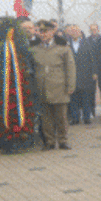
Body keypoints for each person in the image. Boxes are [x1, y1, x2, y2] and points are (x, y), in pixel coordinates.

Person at [30, 20, 76, 150]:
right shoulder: (34, 49)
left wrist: (70, 86)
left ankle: (63, 140)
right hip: (42, 88)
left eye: (46, 31)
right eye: (41, 31)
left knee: (61, 117)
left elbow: (70, 68)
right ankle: (49, 141)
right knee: (46, 118)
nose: (43, 34)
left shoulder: (63, 48)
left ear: (52, 32)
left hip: (59, 88)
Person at [67, 25, 95, 125]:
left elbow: (92, 59)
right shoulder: (66, 44)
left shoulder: (86, 43)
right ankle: (75, 118)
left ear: (80, 32)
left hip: (85, 75)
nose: (74, 32)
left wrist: (94, 72)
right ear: (70, 33)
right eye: (72, 31)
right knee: (73, 98)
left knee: (85, 98)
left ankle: (87, 117)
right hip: (72, 76)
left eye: (76, 31)